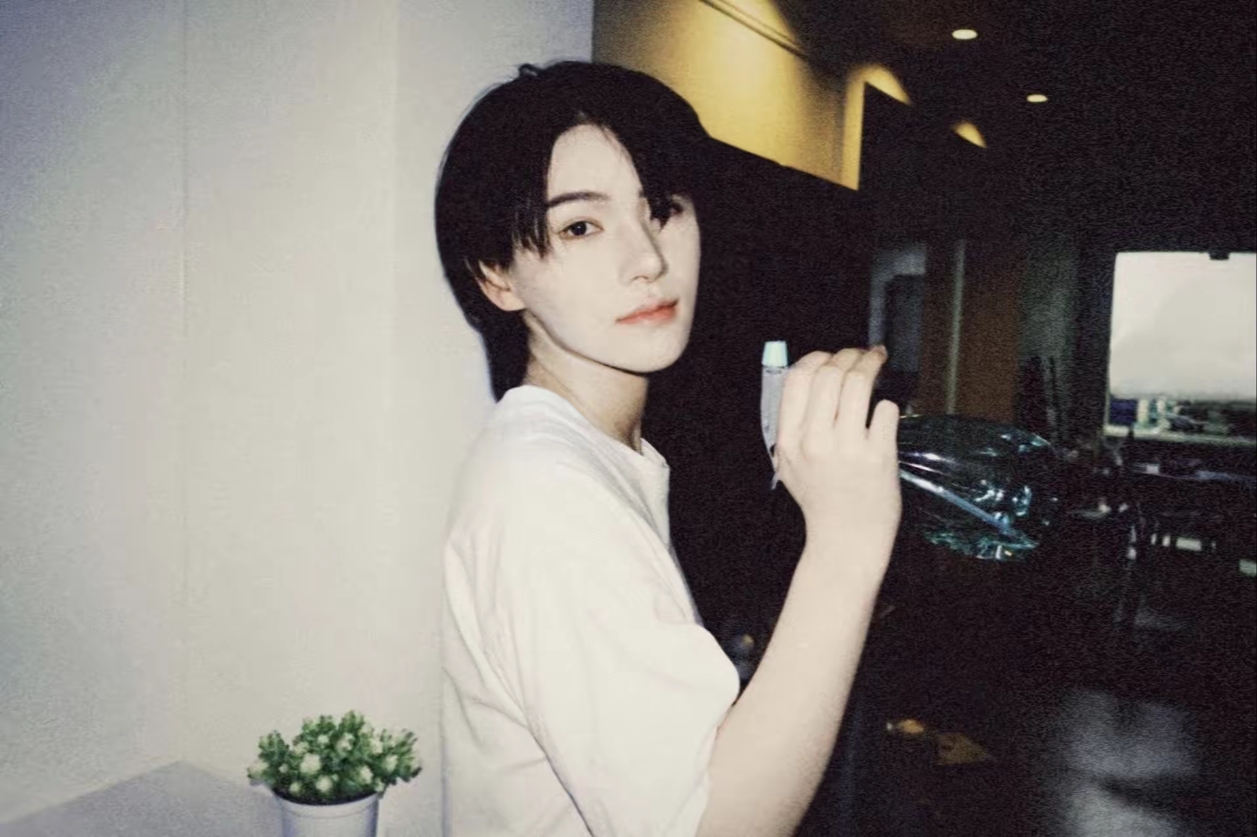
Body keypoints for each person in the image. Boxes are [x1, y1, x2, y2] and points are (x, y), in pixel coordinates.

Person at [435, 60, 901, 837]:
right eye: (579, 226)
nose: (647, 258)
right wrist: (846, 541)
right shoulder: (547, 495)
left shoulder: (597, 457)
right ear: (496, 275)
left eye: (662, 208)